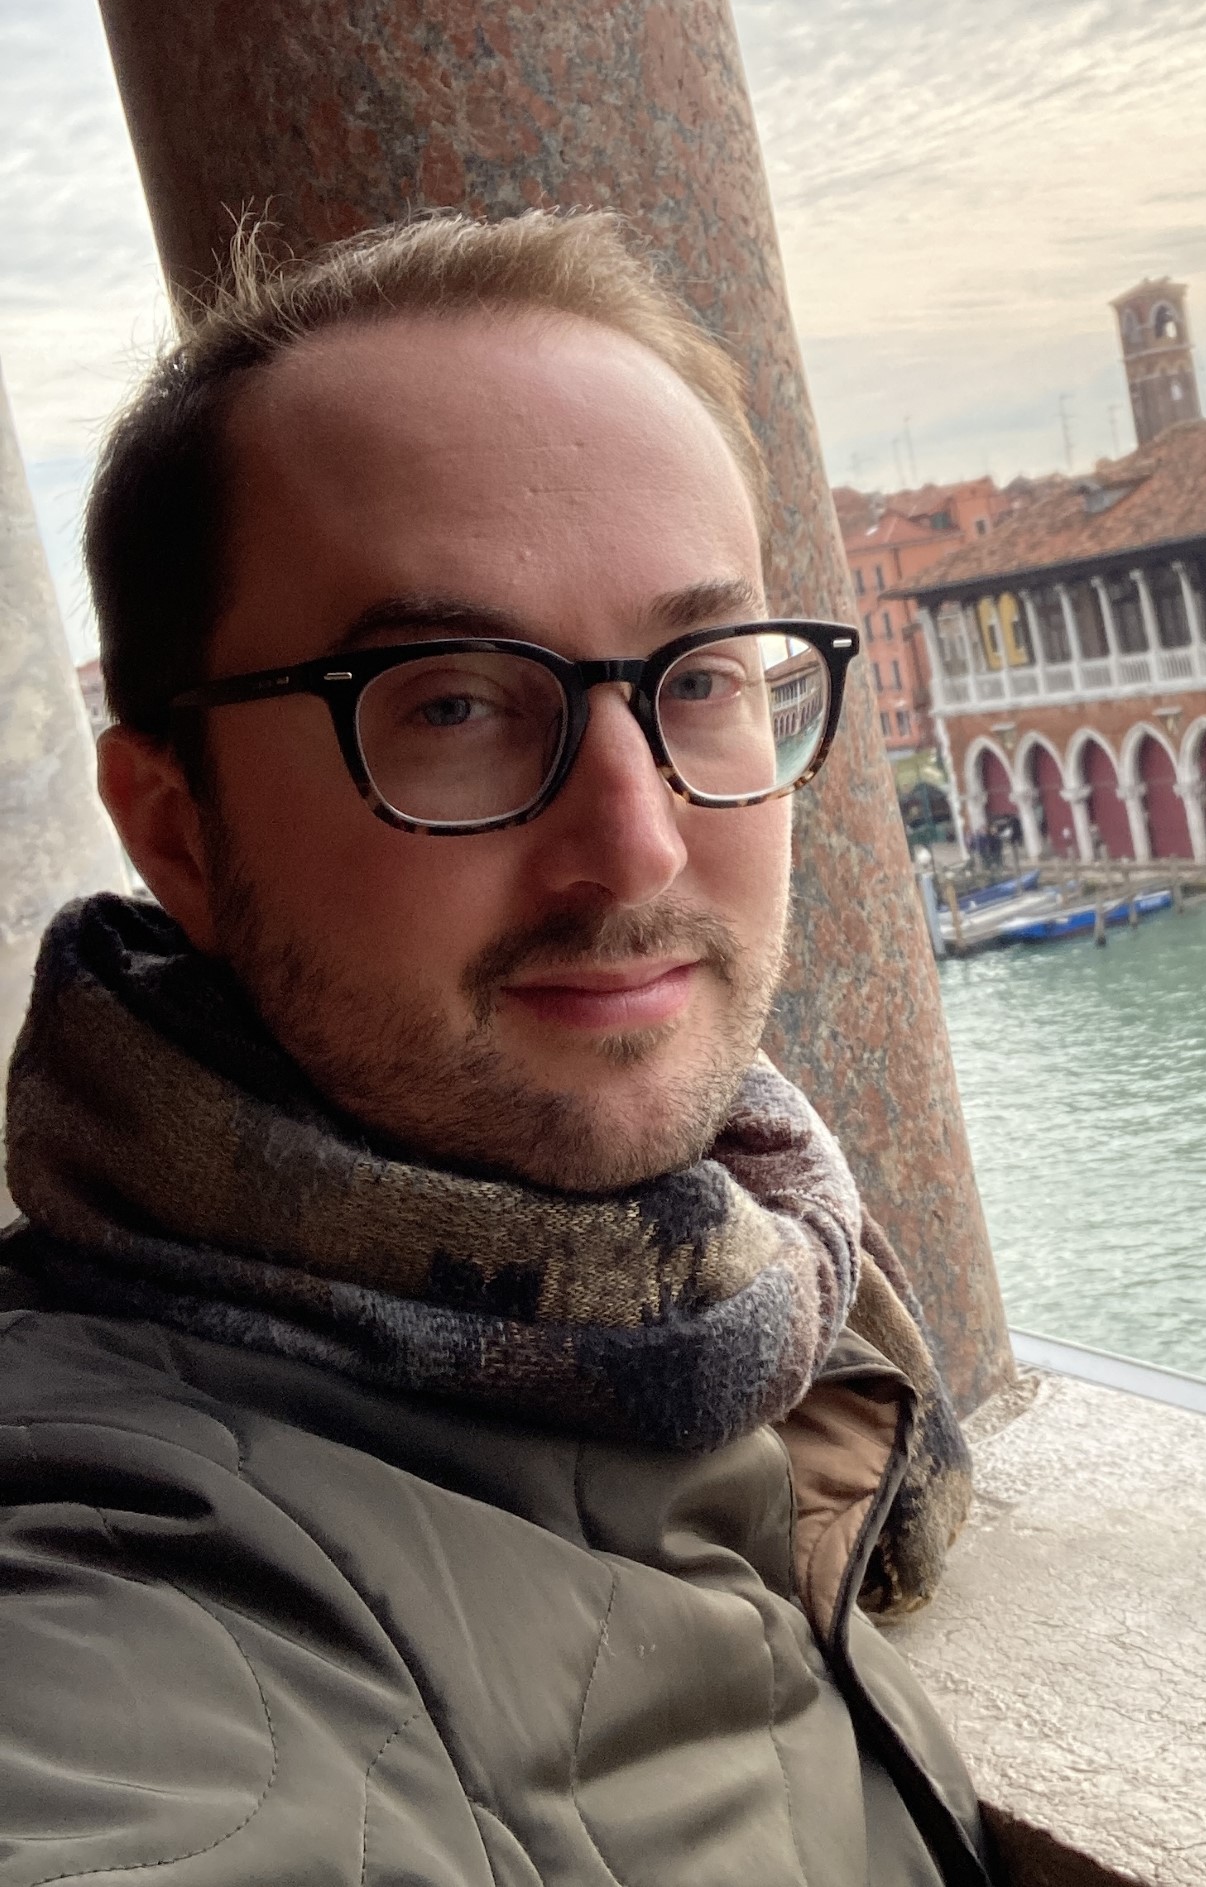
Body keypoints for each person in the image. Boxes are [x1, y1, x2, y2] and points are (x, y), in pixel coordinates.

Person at [0, 212, 996, 1885]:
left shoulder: (754, 1330)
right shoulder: (118, 1585)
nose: (641, 846)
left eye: (701, 679)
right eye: (452, 702)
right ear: (178, 830)